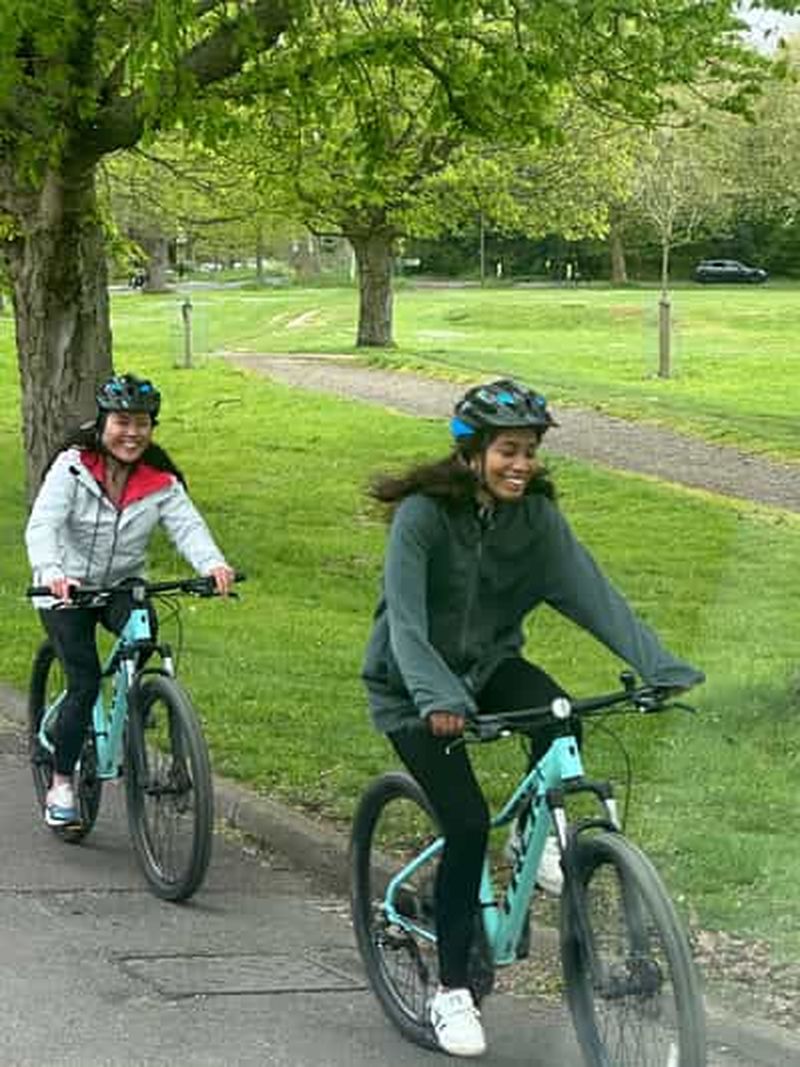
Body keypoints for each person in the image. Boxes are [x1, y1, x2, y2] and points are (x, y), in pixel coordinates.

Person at [361, 378, 704, 1058]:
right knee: (462, 821)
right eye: (508, 451)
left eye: (530, 451)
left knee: (561, 718)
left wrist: (659, 664)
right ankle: (452, 989)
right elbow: (405, 622)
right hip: (410, 686)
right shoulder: (423, 516)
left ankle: (529, 837)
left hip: (487, 671)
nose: (521, 464)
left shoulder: (536, 519)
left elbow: (591, 593)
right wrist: (435, 699)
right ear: (472, 451)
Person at [25, 373, 235, 829]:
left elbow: (188, 527)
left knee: (144, 637)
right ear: (103, 424)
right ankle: (62, 780)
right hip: (67, 591)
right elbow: (43, 525)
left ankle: (134, 710)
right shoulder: (72, 466)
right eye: (122, 422)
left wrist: (213, 565)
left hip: (121, 584)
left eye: (142, 423)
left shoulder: (158, 480)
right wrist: (55, 572)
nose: (132, 433)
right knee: (82, 681)